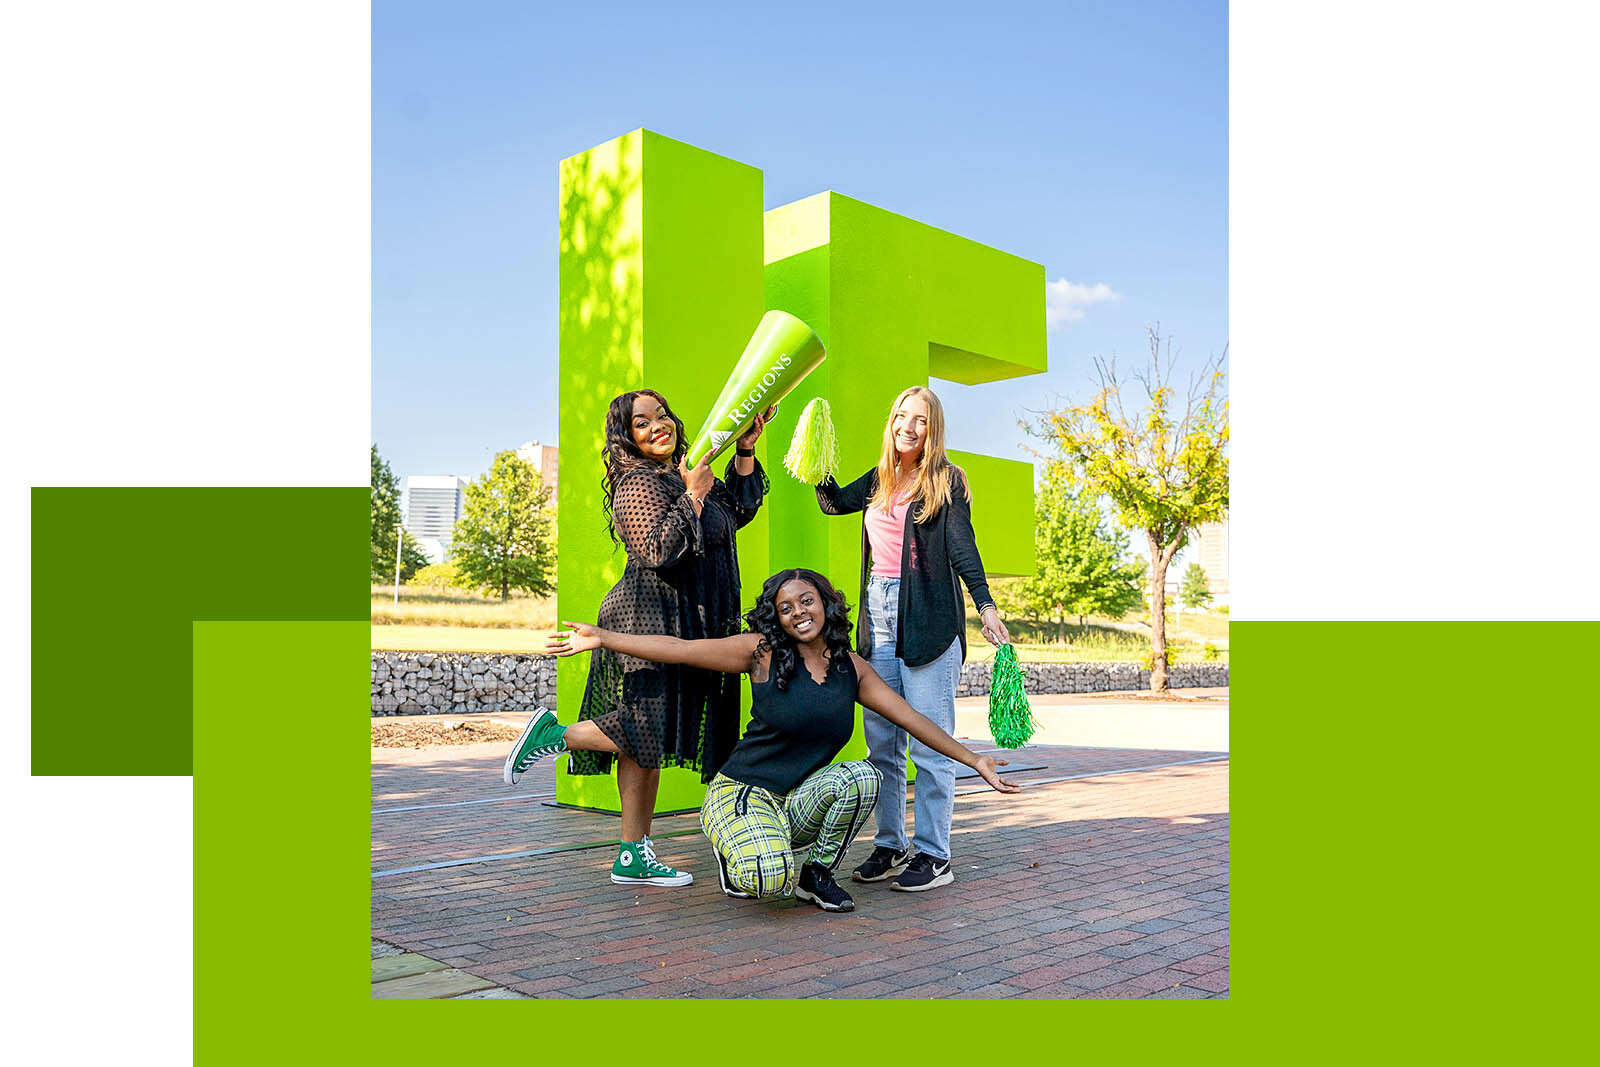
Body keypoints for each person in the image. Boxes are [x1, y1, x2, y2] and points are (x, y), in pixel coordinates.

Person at [532, 568, 1019, 912]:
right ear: (777, 618)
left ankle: (816, 875)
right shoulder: (760, 653)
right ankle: (740, 858)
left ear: (826, 604)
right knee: (768, 882)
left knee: (865, 776)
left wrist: (974, 760)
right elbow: (680, 649)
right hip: (739, 796)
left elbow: (912, 719)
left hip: (793, 805)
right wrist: (604, 637)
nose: (798, 613)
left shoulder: (852, 669)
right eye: (786, 608)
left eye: (806, 601)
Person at [502, 388, 773, 888]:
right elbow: (657, 551)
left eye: (662, 415)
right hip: (646, 617)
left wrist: (745, 450)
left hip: (687, 621)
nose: (657, 426)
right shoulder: (637, 483)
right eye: (642, 422)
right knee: (646, 727)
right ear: (627, 437)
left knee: (648, 743)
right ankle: (555, 736)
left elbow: (737, 511)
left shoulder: (683, 474)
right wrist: (693, 495)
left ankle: (632, 854)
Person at [813, 385, 1012, 892]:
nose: (909, 426)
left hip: (927, 618)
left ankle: (934, 855)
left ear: (933, 429)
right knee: (882, 743)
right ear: (892, 421)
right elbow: (832, 503)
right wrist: (815, 450)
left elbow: (962, 547)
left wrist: (986, 605)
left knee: (930, 742)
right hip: (877, 617)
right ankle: (891, 844)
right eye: (902, 415)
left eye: (920, 419)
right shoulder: (879, 478)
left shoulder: (945, 480)